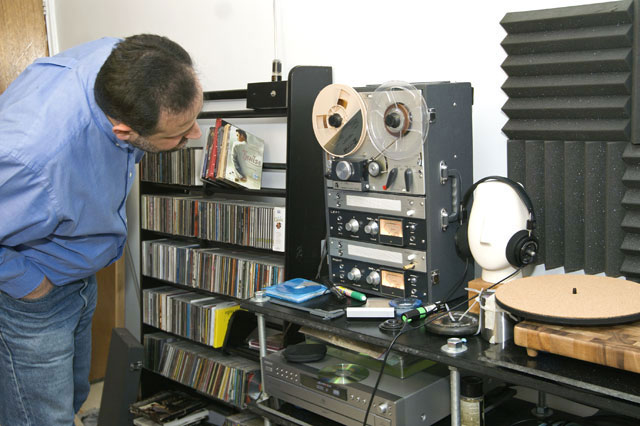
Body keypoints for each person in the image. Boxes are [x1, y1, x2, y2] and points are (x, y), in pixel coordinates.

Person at [0, 34, 203, 425]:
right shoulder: (30, 160)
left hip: (77, 276)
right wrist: (31, 285)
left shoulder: (124, 61)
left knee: (73, 397)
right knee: (41, 417)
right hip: (33, 294)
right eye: (179, 133)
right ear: (125, 132)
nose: (194, 134)